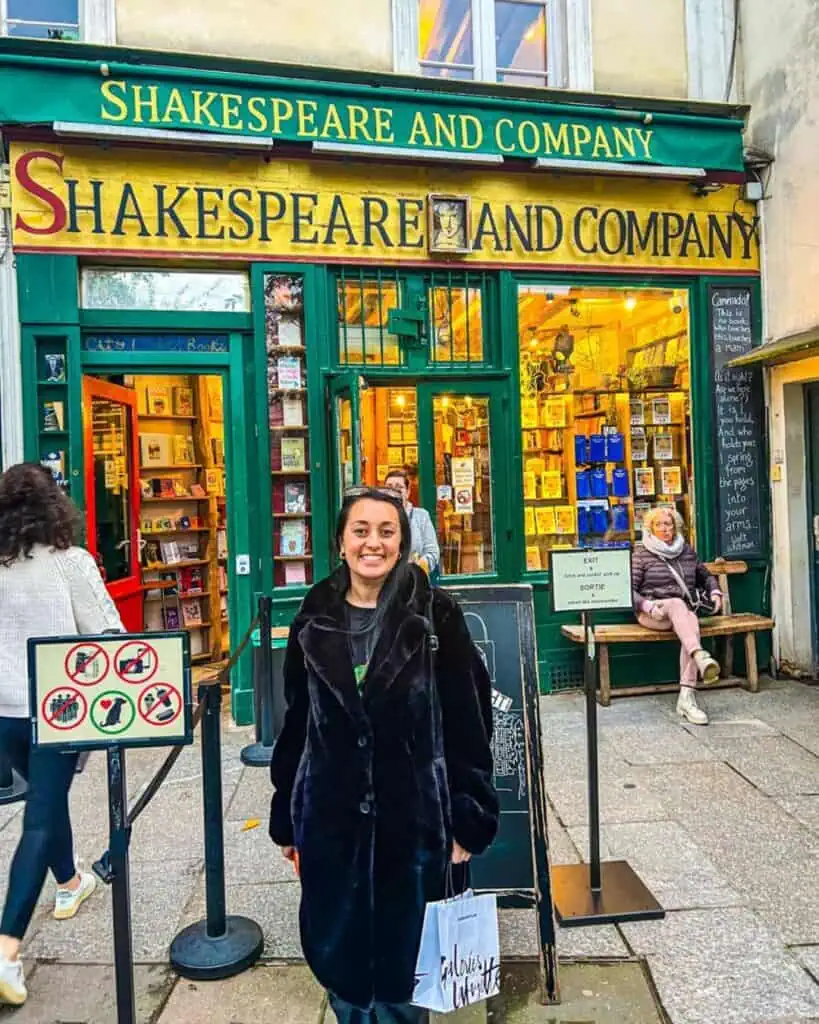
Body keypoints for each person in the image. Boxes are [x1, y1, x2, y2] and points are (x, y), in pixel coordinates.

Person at [269, 486, 498, 1023]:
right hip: (331, 821)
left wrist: (467, 818)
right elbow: (297, 721)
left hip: (414, 823)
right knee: (343, 971)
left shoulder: (435, 613)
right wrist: (287, 817)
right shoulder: (314, 613)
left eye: (386, 531)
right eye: (361, 531)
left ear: (402, 542)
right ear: (342, 542)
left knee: (403, 981)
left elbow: (469, 719)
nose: (373, 542)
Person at [0, 463, 124, 1006]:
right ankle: (6, 950)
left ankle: (70, 882)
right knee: (39, 821)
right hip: (57, 707)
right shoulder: (71, 563)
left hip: (2, 711)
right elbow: (106, 631)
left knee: (48, 806)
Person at [631, 507, 722, 726]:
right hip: (653, 613)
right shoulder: (642, 554)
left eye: (668, 524)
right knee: (677, 606)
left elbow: (705, 575)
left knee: (688, 618)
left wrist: (715, 591)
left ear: (676, 526)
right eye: (659, 524)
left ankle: (687, 696)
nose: (664, 529)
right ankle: (699, 657)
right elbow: (629, 589)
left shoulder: (686, 551)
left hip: (681, 615)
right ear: (651, 528)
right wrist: (646, 605)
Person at [383, 470, 441, 578]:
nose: (393, 490)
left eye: (399, 487)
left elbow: (432, 553)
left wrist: (416, 568)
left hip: (413, 584)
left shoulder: (421, 516)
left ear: (408, 492)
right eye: (389, 486)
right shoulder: (377, 518)